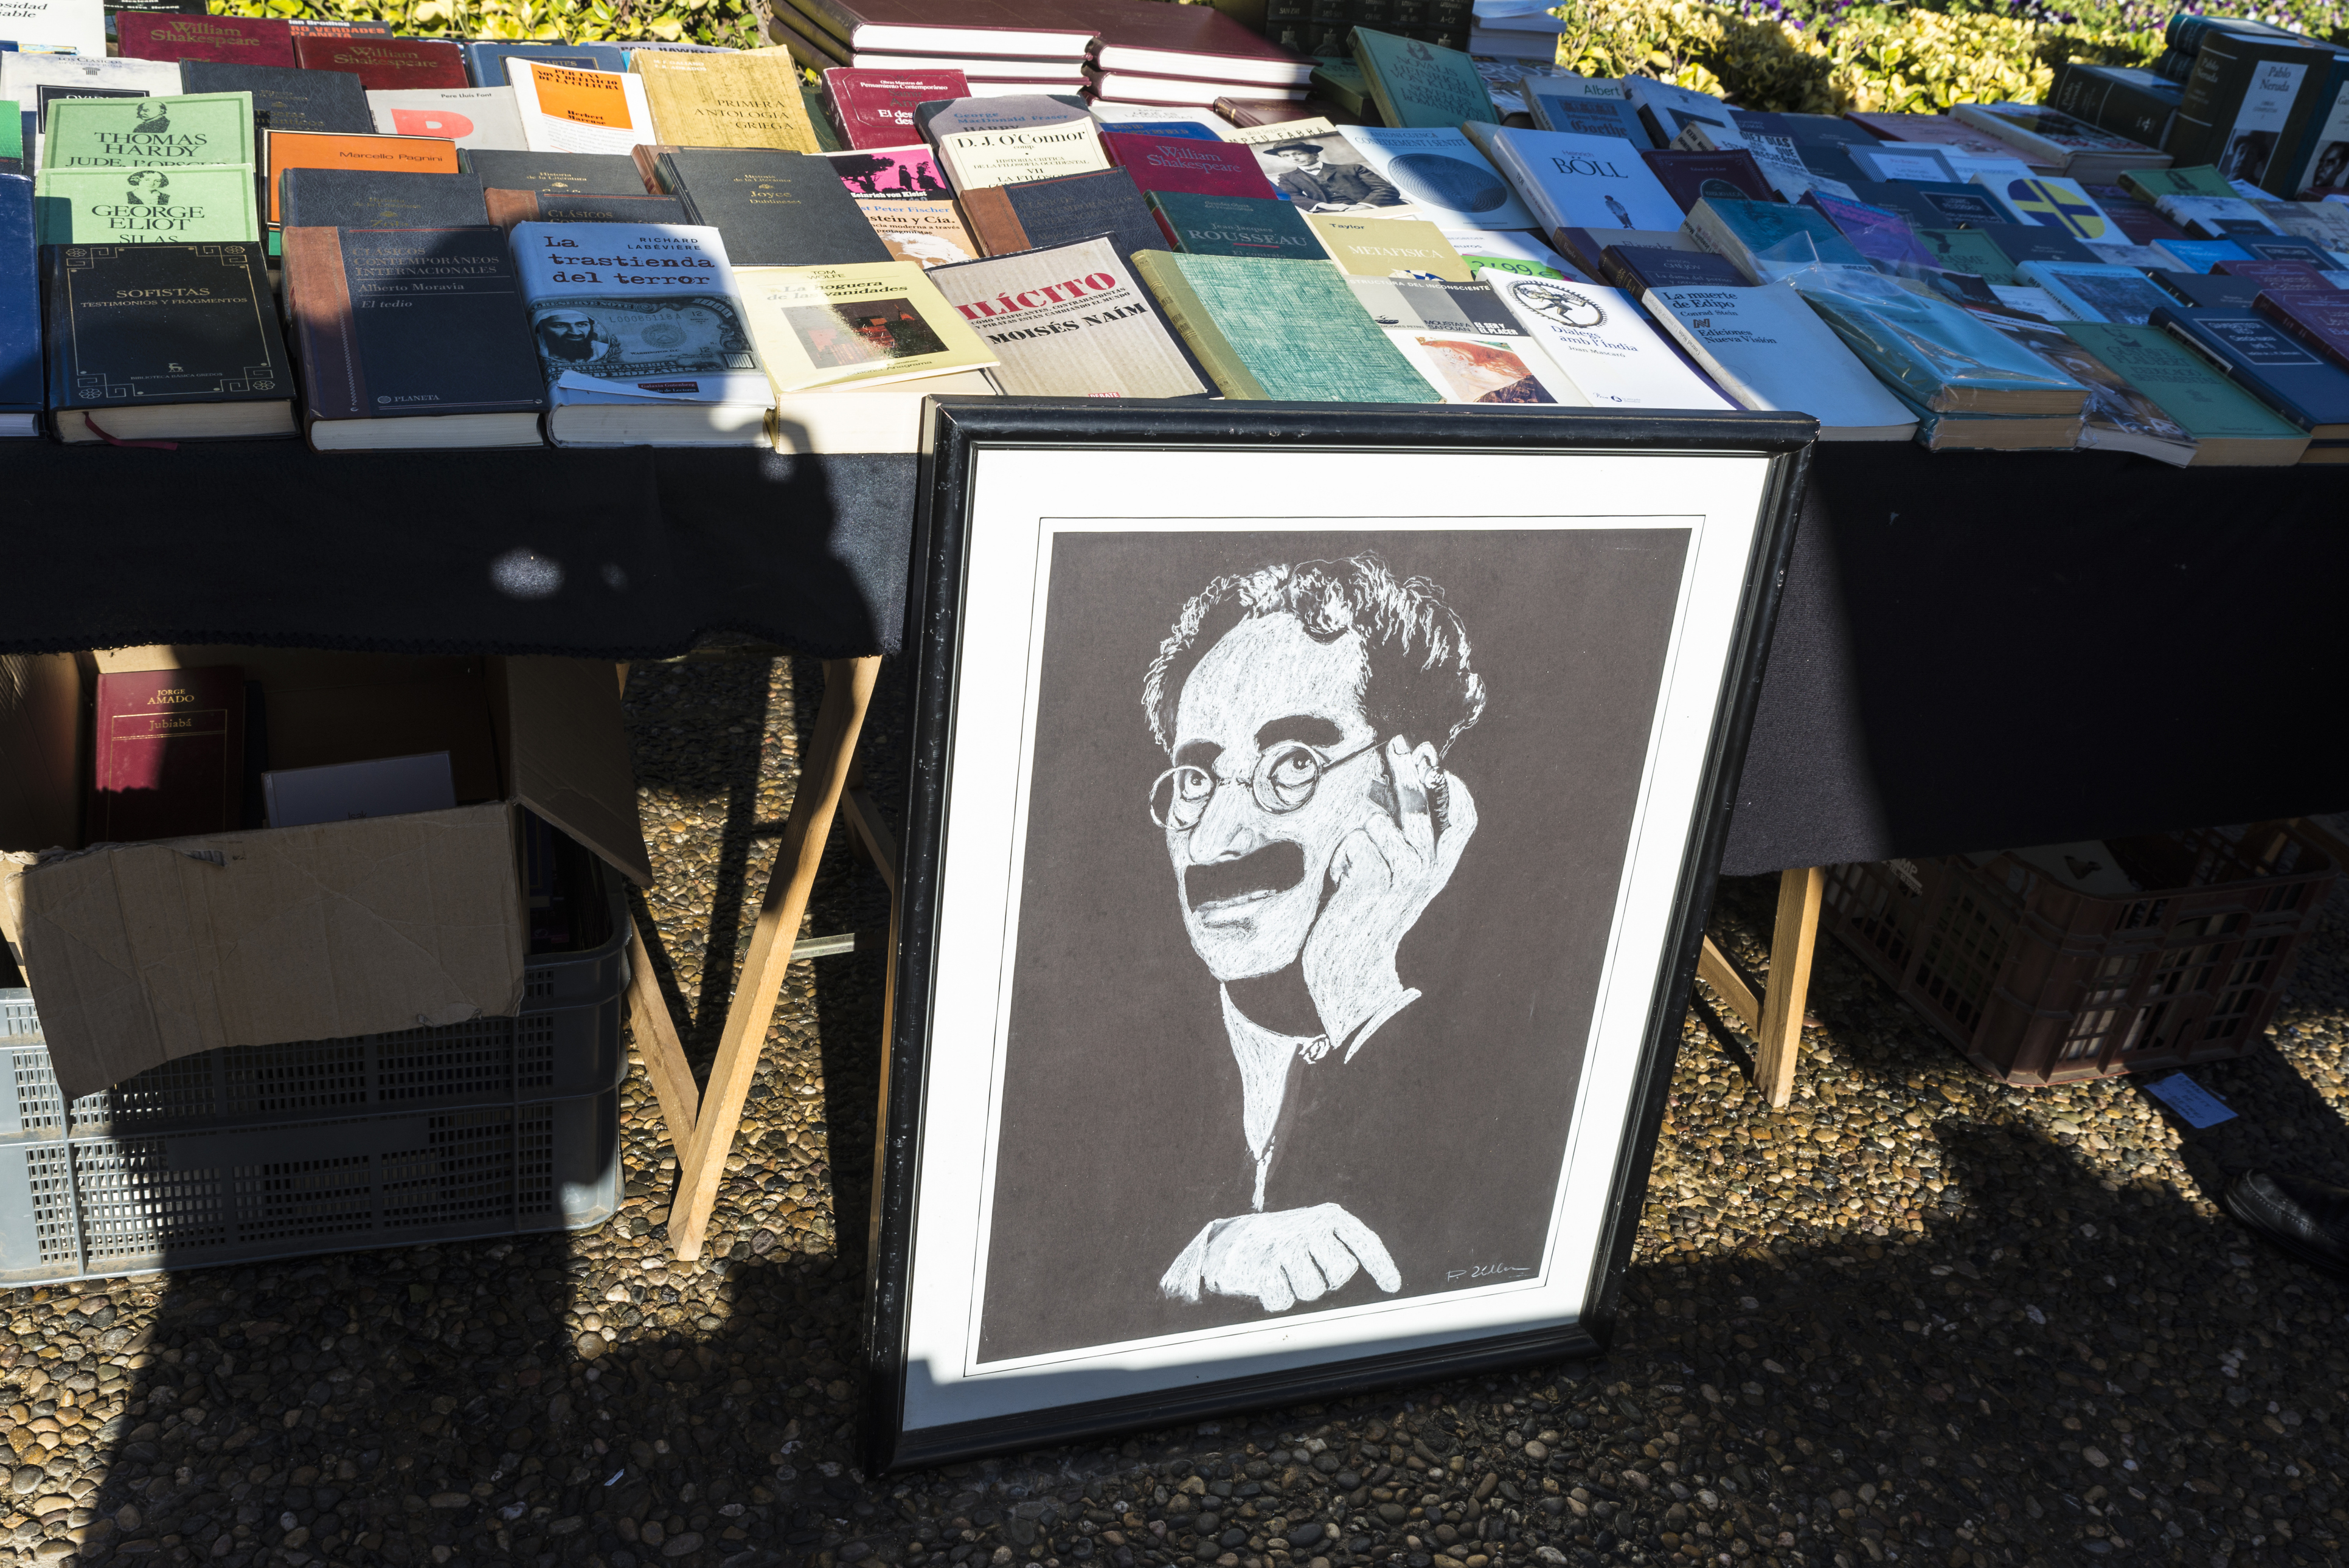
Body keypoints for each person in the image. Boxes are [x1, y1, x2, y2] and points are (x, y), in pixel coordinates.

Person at [1140, 553, 1488, 1315]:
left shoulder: (1502, 1060)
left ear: (1411, 791)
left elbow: (1423, 1280)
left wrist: (1359, 993)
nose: (1211, 844)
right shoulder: (1089, 1064)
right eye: (1195, 779)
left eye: (1291, 765)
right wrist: (1207, 1261)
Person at [1260, 140, 1403, 212]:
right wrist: (1325, 206)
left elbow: (1386, 189)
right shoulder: (1288, 177)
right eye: (1286, 156)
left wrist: (1364, 206)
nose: (1294, 158)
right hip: (1331, 214)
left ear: (1314, 154)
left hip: (1374, 208)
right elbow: (1291, 197)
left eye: (1298, 153)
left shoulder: (1353, 168)